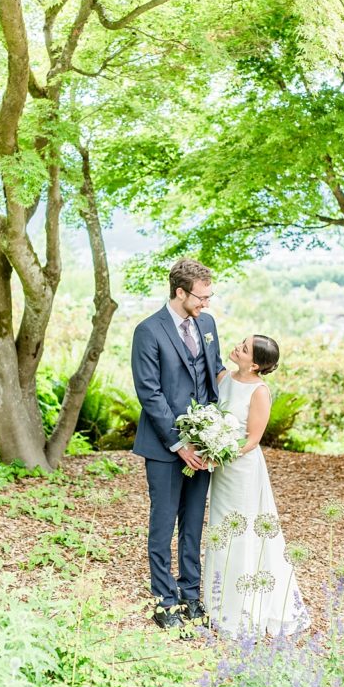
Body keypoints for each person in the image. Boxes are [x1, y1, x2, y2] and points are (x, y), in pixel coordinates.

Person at [132, 258, 225, 629]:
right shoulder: (148, 331)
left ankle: (190, 595)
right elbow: (149, 392)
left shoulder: (208, 324)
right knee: (163, 523)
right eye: (201, 297)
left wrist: (216, 434)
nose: (206, 304)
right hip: (164, 448)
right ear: (180, 292)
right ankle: (164, 601)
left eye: (209, 296)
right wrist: (179, 442)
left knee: (193, 524)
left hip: (204, 446)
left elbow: (213, 375)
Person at [203, 334, 310, 636]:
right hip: (221, 470)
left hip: (241, 470)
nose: (237, 348)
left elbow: (252, 439)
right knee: (219, 529)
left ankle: (242, 608)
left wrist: (219, 454)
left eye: (245, 348)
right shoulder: (224, 377)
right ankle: (217, 603)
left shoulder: (260, 391)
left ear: (256, 364)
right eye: (241, 343)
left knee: (242, 532)